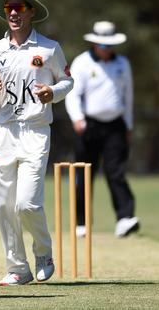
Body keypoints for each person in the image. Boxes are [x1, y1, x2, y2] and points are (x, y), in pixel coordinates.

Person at [0, 0, 73, 286]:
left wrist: (52, 93)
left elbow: (67, 81)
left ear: (32, 11)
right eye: (9, 8)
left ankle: (43, 253)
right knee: (2, 203)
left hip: (35, 130)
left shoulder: (48, 48)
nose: (14, 13)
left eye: (20, 7)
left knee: (27, 203)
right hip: (5, 131)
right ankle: (17, 267)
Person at [65, 21, 139, 238]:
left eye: (109, 45)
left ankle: (124, 218)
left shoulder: (123, 64)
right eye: (102, 45)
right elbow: (72, 93)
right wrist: (77, 118)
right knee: (84, 173)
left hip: (116, 125)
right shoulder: (82, 62)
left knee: (116, 172)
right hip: (89, 125)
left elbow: (129, 97)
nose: (106, 49)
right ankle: (81, 222)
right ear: (95, 44)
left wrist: (129, 124)